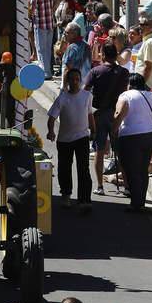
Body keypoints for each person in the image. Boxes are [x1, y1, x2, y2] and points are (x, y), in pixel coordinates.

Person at [114, 74, 152, 212]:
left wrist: (114, 130)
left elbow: (119, 113)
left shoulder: (125, 95)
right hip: (150, 134)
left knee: (131, 169)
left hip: (131, 136)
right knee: (143, 169)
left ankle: (136, 203)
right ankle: (140, 202)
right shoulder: (151, 96)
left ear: (129, 84)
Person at [84, 42, 129, 195]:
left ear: (103, 54)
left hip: (100, 114)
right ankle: (127, 186)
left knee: (99, 150)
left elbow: (85, 92)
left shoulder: (95, 71)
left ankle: (100, 186)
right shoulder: (124, 73)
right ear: (116, 55)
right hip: (118, 113)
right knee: (120, 150)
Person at [47, 69, 94, 212]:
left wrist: (94, 130)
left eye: (77, 79)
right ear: (67, 81)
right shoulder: (62, 98)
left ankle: (84, 199)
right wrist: (51, 131)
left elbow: (90, 114)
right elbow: (52, 118)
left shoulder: (87, 96)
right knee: (64, 168)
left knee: (83, 168)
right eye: (71, 79)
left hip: (82, 137)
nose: (74, 82)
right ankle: (66, 194)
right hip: (64, 140)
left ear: (80, 80)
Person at [30, 0, 57, 80]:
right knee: (47, 48)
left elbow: (31, 8)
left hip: (40, 23)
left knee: (41, 49)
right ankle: (48, 71)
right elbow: (54, 2)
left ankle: (45, 72)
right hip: (50, 23)